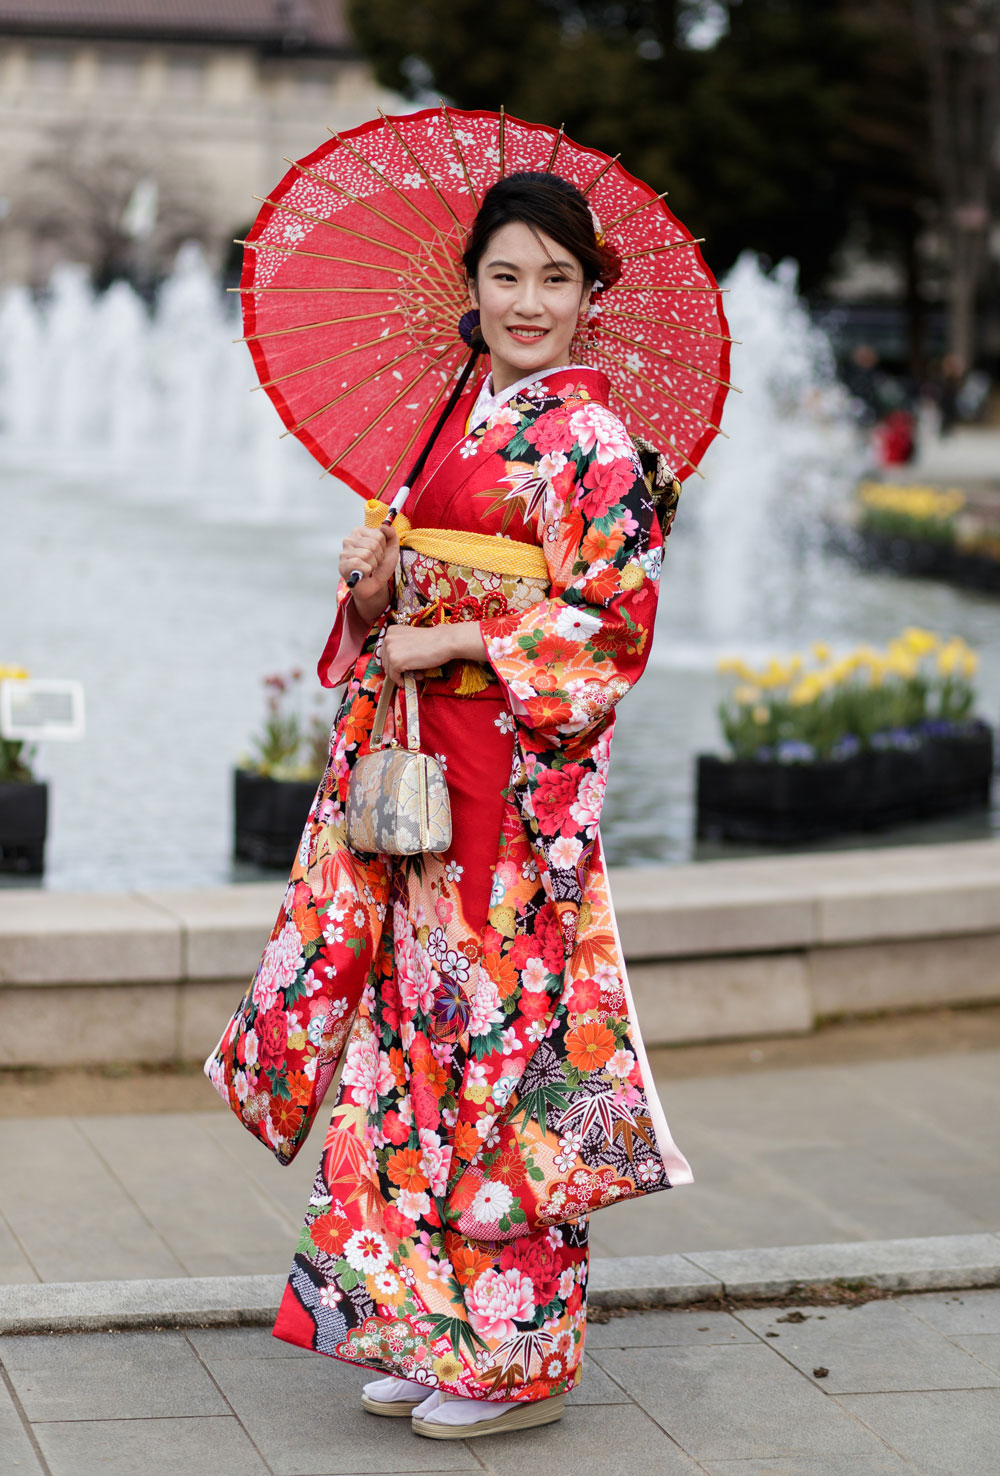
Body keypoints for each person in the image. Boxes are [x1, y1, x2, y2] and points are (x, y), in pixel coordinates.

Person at [258, 171, 694, 1439]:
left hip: (512, 793)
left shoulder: (594, 444)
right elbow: (399, 619)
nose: (528, 301)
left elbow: (609, 630)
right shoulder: (460, 416)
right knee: (415, 1045)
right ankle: (421, 1324)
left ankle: (516, 1358)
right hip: (421, 782)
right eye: (506, 275)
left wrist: (444, 633)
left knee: (502, 1051)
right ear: (473, 286)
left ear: (590, 294)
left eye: (556, 278)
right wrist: (378, 588)